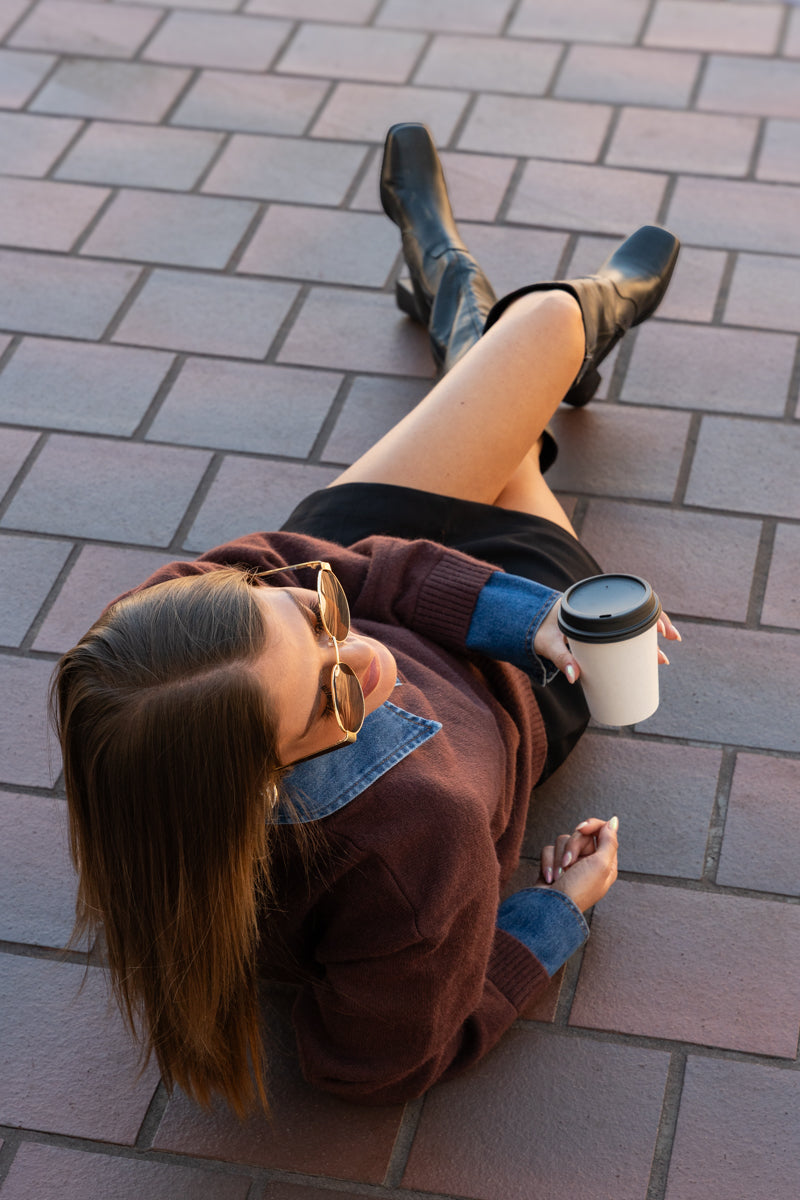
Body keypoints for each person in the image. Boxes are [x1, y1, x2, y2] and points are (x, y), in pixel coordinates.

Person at [51, 124, 681, 1116]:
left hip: (419, 566)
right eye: (339, 691)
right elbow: (376, 1069)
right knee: (535, 345)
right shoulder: (410, 847)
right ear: (262, 782)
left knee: (529, 346)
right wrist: (555, 912)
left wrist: (530, 620)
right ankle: (455, 290)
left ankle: (469, 303)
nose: (370, 655)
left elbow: (370, 573)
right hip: (508, 692)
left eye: (315, 614)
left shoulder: (153, 650)